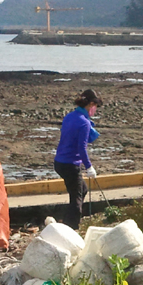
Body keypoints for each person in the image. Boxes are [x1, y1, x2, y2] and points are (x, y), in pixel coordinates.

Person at [54, 89, 103, 229]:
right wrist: (89, 167)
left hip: (59, 162)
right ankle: (71, 228)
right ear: (91, 104)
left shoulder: (70, 116)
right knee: (76, 199)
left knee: (82, 189)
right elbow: (82, 148)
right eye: (95, 107)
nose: (95, 110)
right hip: (70, 164)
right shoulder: (84, 123)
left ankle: (66, 220)